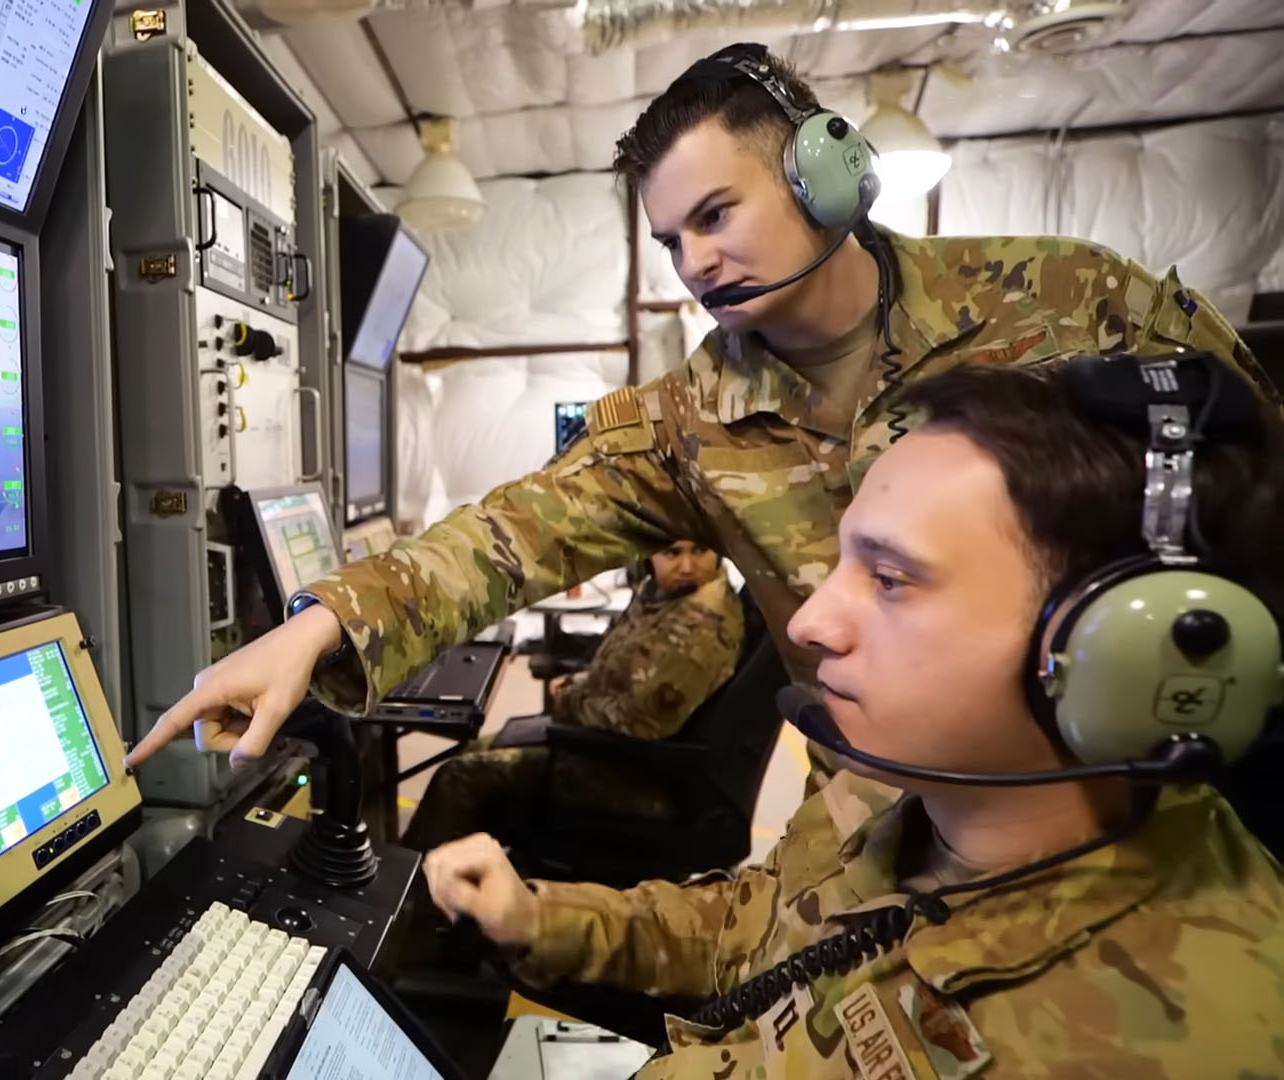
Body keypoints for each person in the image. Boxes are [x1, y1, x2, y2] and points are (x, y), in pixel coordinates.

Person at [123, 43, 1275, 777]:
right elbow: (506, 534)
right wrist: (315, 627)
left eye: (718, 213)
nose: (697, 262)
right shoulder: (686, 419)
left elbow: (1264, 479)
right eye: (673, 238)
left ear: (826, 176)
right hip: (889, 805)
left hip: (1140, 775)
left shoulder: (1076, 300)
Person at [420, 357, 1284, 1076]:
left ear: (1123, 661)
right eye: (844, 561)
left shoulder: (1173, 1042)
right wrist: (536, 916)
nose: (807, 623)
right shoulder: (900, 795)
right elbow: (759, 926)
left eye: (892, 578)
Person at [401, 540, 743, 852]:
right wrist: (581, 684)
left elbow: (642, 724)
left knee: (458, 777)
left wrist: (569, 698)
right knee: (475, 750)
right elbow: (627, 672)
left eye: (699, 551)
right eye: (672, 553)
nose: (686, 566)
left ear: (718, 552)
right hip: (607, 748)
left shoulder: (697, 624)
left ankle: (414, 905)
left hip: (630, 774)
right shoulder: (667, 596)